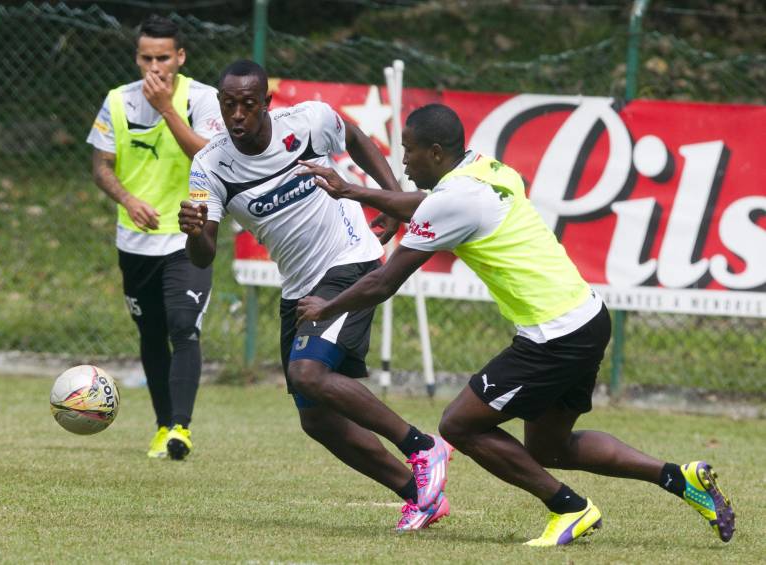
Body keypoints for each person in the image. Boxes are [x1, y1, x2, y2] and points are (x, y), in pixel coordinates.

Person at [295, 103, 736, 546]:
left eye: (407, 151)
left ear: (433, 152)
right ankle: (680, 479)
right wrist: (356, 191)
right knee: (551, 449)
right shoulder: (486, 168)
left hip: (554, 336)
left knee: (459, 426)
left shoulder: (450, 202)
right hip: (586, 317)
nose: (403, 161)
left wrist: (326, 308)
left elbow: (382, 281)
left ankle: (570, 508)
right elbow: (425, 203)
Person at [177, 60, 452, 531]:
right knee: (317, 420)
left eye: (248, 104)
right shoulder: (210, 167)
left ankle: (422, 447)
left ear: (266, 102)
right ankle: (420, 498)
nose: (238, 114)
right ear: (219, 106)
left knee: (308, 373)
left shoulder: (307, 121)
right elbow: (203, 257)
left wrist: (389, 197)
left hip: (350, 261)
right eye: (229, 105)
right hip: (301, 286)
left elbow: (357, 138)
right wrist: (196, 232)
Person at [87, 15, 224, 460]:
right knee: (151, 333)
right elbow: (101, 165)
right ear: (136, 57)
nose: (154, 67)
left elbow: (207, 156)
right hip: (135, 241)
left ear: (180, 57)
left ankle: (181, 429)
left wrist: (166, 107)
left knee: (184, 326)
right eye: (146, 58)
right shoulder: (117, 101)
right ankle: (162, 426)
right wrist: (128, 200)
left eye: (163, 58)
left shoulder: (201, 99)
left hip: (188, 236)